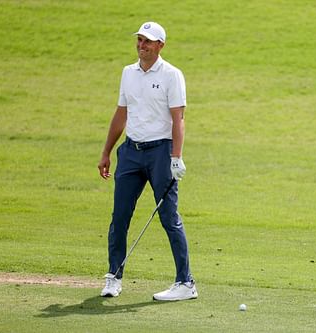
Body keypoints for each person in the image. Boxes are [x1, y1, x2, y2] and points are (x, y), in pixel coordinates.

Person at [97, 22, 197, 301]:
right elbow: (121, 113)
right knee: (120, 217)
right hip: (130, 152)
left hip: (160, 153)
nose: (142, 45)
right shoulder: (128, 73)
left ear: (160, 45)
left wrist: (176, 157)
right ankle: (113, 277)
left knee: (169, 218)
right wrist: (107, 151)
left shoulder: (171, 75)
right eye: (140, 40)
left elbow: (179, 119)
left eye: (148, 41)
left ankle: (185, 282)